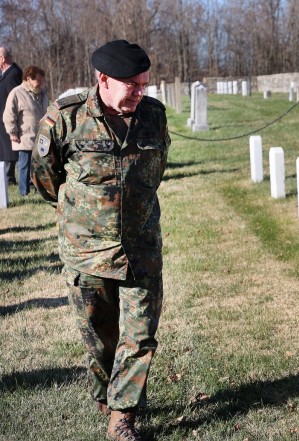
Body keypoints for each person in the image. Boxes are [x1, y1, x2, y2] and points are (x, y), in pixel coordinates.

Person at [31, 40, 170, 441]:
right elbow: (45, 180)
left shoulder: (153, 117)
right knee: (100, 340)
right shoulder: (66, 118)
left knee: (139, 337)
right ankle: (104, 392)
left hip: (141, 249)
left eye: (144, 83)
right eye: (132, 85)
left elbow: (154, 172)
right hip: (87, 252)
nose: (140, 92)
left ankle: (122, 417)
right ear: (103, 79)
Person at [2, 66, 48, 196]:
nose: (41, 83)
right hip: (24, 137)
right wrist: (12, 132)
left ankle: (38, 189)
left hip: (40, 137)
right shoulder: (17, 93)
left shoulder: (43, 93)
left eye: (42, 80)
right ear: (29, 79)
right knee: (24, 166)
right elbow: (9, 115)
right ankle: (24, 191)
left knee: (39, 166)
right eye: (38, 80)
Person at [0, 46, 22, 185]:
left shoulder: (13, 74)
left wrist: (12, 121)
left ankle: (9, 178)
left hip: (9, 120)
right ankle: (7, 178)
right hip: (3, 120)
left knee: (10, 150)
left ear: (2, 58)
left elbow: (14, 100)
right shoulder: (5, 74)